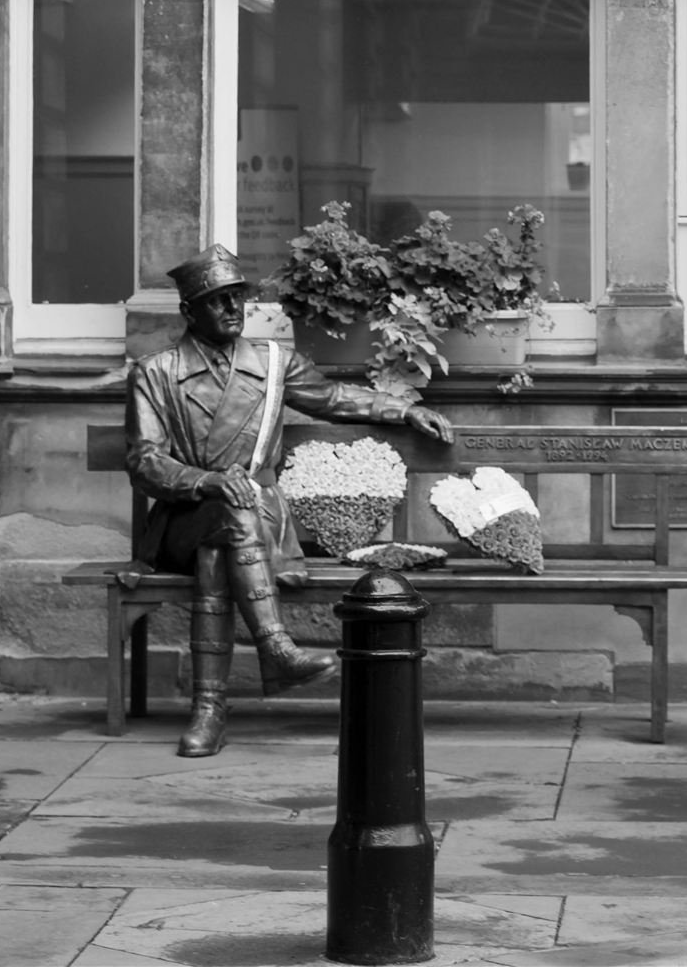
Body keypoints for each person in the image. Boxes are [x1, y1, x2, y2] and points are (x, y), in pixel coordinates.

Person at [126, 242, 454, 758]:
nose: (234, 309)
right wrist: (207, 482)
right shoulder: (157, 372)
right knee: (226, 519)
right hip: (182, 524)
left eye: (239, 297)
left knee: (225, 541)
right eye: (219, 300)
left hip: (254, 523)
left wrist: (401, 409)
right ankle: (274, 648)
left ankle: (209, 709)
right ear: (190, 312)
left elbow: (334, 398)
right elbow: (144, 462)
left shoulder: (274, 363)